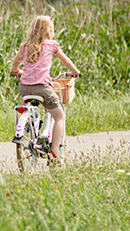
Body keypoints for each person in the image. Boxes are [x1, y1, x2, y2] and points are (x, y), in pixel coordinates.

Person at [10, 15, 81, 165]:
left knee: (25, 109)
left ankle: (28, 130)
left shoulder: (25, 46)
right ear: (49, 31)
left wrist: (17, 71)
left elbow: (15, 65)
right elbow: (66, 61)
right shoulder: (51, 45)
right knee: (59, 116)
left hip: (24, 88)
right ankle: (54, 153)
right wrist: (75, 72)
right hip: (43, 88)